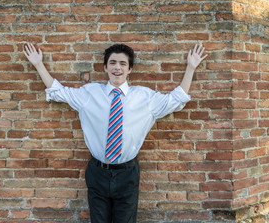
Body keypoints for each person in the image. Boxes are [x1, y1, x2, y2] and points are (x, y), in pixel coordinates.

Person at [23, 42, 207, 223]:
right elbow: (58, 92)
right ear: (105, 67)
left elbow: (176, 99)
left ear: (129, 70)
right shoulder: (89, 94)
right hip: (97, 172)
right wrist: (38, 64)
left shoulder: (144, 98)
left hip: (127, 173)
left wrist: (191, 67)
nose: (117, 68)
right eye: (112, 63)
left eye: (123, 64)